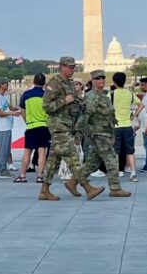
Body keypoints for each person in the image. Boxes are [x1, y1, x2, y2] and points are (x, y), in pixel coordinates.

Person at [58, 69, 131, 200]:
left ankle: (73, 182)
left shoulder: (104, 96)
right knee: (112, 158)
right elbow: (84, 117)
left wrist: (112, 133)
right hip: (97, 133)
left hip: (105, 132)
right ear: (92, 81)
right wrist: (79, 135)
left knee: (92, 162)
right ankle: (115, 188)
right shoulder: (91, 97)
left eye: (103, 78)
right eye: (98, 78)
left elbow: (111, 117)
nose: (101, 80)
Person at [39, 57, 103, 201]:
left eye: (74, 67)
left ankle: (44, 190)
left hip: (68, 125)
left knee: (53, 160)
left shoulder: (68, 84)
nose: (72, 70)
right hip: (58, 126)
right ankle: (87, 188)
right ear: (61, 67)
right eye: (69, 67)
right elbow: (46, 106)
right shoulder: (54, 84)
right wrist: (64, 101)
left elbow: (74, 103)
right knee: (73, 158)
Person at [16, 73, 49, 183]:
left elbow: (22, 111)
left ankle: (22, 175)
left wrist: (27, 121)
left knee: (27, 152)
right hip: (44, 126)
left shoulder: (26, 94)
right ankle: (40, 176)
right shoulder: (47, 95)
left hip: (31, 126)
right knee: (42, 152)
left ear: (33, 82)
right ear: (44, 83)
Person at [110, 72, 137, 182]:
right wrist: (133, 116)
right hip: (127, 125)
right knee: (130, 151)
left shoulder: (111, 94)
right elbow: (141, 105)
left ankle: (117, 172)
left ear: (114, 82)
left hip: (116, 126)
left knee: (116, 151)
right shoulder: (129, 93)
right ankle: (133, 172)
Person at [0, 77, 21, 178]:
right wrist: (12, 113)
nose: (8, 85)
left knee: (7, 149)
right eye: (6, 84)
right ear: (1, 84)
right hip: (2, 127)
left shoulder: (4, 96)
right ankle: (2, 170)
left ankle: (5, 168)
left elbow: (10, 107)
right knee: (3, 149)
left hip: (7, 126)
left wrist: (18, 109)